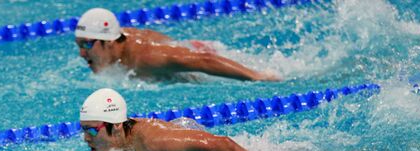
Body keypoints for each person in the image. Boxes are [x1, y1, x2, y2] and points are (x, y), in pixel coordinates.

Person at [74, 8, 280, 81]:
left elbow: (203, 61)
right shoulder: (117, 40)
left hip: (205, 58)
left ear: (108, 42)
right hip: (187, 49)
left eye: (87, 45)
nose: (82, 54)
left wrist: (256, 76)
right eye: (79, 45)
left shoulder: (145, 58)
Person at [80, 88, 262, 151]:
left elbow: (224, 145)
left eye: (92, 130)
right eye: (83, 130)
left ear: (117, 125)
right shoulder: (124, 142)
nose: (86, 138)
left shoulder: (152, 142)